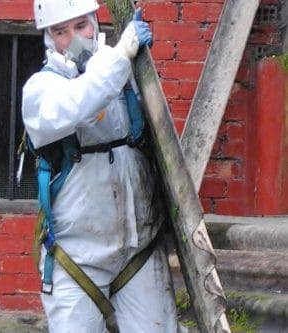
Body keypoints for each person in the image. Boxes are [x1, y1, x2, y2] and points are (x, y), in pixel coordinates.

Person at [22, 0, 178, 332]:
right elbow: (80, 104)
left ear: (95, 21)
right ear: (49, 38)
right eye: (60, 31)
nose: (73, 38)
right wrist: (120, 56)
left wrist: (132, 64)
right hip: (77, 256)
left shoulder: (123, 76)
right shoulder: (42, 90)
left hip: (139, 247)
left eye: (81, 26)